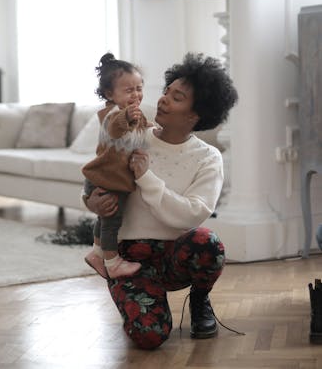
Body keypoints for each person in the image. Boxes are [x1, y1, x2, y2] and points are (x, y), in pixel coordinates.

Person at [83, 53, 238, 349]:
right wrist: (93, 203)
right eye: (167, 91)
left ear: (195, 115)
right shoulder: (133, 134)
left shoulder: (208, 158)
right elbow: (101, 175)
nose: (163, 100)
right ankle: (144, 300)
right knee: (149, 336)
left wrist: (146, 177)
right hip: (127, 258)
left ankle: (200, 300)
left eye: (176, 97)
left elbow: (192, 215)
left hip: (174, 256)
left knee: (209, 243)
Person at [82, 52, 152, 279]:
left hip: (107, 176)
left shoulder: (134, 114)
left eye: (139, 88)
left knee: (104, 219)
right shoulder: (112, 114)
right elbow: (116, 128)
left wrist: (148, 126)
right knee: (112, 222)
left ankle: (96, 253)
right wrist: (127, 117)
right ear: (109, 94)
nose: (136, 94)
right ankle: (113, 263)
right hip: (106, 178)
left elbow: (138, 131)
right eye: (129, 90)